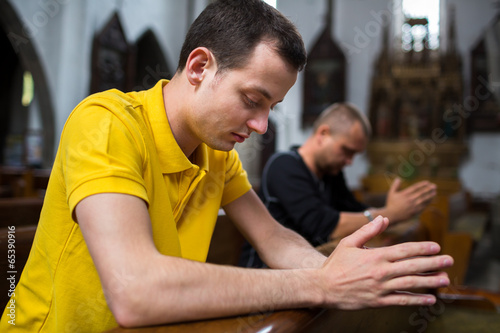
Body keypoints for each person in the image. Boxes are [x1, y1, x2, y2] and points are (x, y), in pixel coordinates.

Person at [1, 1, 452, 331]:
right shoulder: (106, 123)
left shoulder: (216, 153)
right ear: (199, 66)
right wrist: (319, 287)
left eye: (271, 107)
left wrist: (337, 270)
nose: (261, 125)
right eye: (252, 100)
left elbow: (273, 237)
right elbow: (134, 291)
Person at [240, 102, 438, 268]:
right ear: (323, 133)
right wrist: (391, 213)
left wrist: (388, 212)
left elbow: (355, 210)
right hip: (268, 272)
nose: (350, 161)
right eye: (347, 150)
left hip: (310, 266)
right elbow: (324, 226)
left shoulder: (331, 172)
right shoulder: (283, 165)